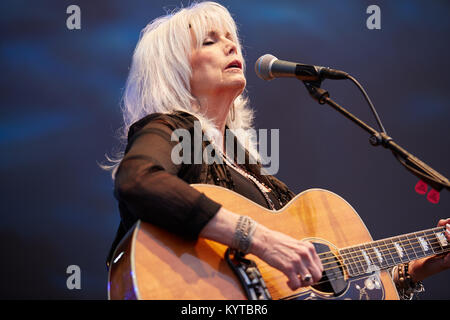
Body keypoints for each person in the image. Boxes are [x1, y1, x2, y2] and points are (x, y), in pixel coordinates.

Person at [104, 1, 450, 299]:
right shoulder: (172, 129)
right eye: (209, 42)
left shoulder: (248, 167)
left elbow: (318, 276)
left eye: (231, 39)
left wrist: (415, 269)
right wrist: (258, 239)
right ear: (174, 70)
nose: (230, 47)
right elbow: (138, 181)